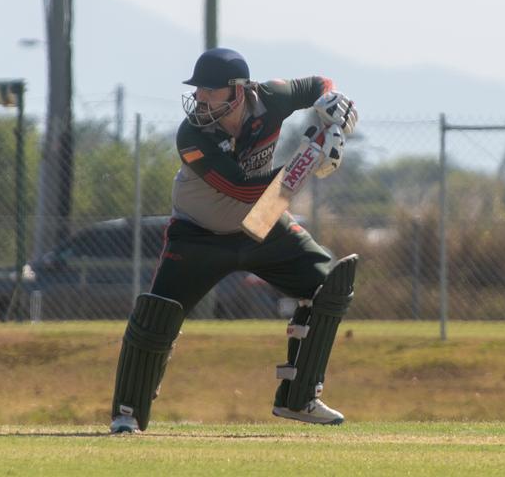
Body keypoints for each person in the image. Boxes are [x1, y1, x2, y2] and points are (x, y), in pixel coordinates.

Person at [110, 47, 359, 433]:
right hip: (198, 233)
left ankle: (301, 399)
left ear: (239, 90)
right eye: (198, 90)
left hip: (264, 224)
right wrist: (310, 154)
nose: (200, 98)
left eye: (210, 90)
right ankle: (128, 413)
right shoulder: (191, 134)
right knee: (158, 313)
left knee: (329, 284)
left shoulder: (272, 96)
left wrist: (332, 104)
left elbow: (318, 84)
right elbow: (240, 189)